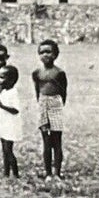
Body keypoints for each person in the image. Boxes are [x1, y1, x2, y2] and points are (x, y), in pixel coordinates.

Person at [32, 39, 69, 177]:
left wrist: (58, 105)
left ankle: (57, 173)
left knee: (56, 140)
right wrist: (41, 105)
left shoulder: (59, 73)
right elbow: (37, 90)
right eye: (42, 52)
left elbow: (63, 91)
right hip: (43, 104)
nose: (45, 55)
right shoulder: (37, 73)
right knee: (46, 141)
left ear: (55, 54)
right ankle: (48, 173)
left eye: (48, 52)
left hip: (55, 104)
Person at [0, 64, 24, 176]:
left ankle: (15, 173)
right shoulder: (3, 91)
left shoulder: (13, 92)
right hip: (3, 123)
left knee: (8, 150)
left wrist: (2, 106)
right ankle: (6, 172)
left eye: (2, 77)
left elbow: (15, 110)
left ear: (11, 80)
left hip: (10, 125)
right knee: (4, 150)